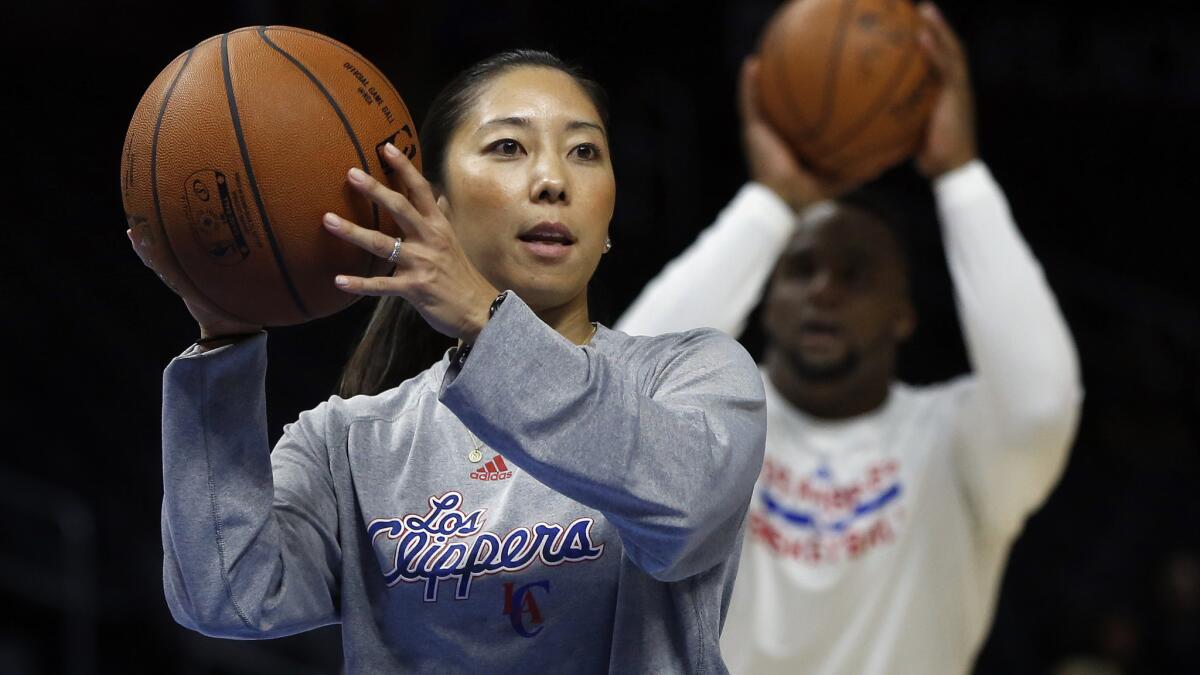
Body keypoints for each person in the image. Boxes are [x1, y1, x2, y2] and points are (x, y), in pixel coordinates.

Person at [129, 50, 767, 674]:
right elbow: (229, 597)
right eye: (509, 147)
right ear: (431, 204)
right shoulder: (347, 442)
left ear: (608, 216)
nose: (554, 181)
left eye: (585, 151)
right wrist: (225, 335)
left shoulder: (693, 375)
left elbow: (684, 512)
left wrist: (486, 323)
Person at [616, 4, 1083, 674]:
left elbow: (1041, 403)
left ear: (904, 312)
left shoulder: (955, 442)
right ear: (765, 296)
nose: (825, 289)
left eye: (856, 273)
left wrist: (960, 176)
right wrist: (771, 204)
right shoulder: (709, 432)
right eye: (801, 268)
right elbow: (617, 396)